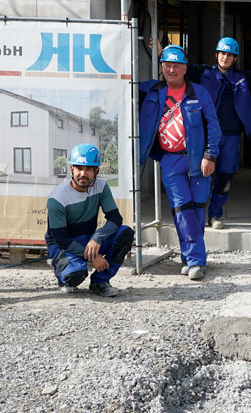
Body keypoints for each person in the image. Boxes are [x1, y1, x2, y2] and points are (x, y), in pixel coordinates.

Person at [138, 45, 221, 280]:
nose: (171, 70)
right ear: (162, 66)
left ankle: (188, 255)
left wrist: (210, 155)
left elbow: (214, 127)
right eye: (167, 65)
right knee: (181, 209)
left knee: (195, 210)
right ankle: (196, 260)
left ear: (185, 68)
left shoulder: (199, 93)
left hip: (198, 160)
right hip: (170, 160)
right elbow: (125, 85)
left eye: (176, 66)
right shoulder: (151, 90)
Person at [184, 36, 251, 230]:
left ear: (235, 59)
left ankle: (214, 215)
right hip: (205, 135)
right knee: (201, 175)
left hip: (230, 136)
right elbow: (180, 67)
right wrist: (162, 52)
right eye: (223, 53)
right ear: (216, 55)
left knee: (226, 176)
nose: (226, 57)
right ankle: (196, 216)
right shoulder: (204, 73)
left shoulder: (242, 77)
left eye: (230, 55)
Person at [45, 143, 135, 297]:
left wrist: (97, 237)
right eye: (79, 168)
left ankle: (100, 282)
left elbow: (115, 218)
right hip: (63, 245)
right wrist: (94, 257)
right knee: (75, 276)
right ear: (72, 169)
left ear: (96, 171)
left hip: (88, 239)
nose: (83, 173)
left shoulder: (101, 187)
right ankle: (63, 271)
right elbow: (61, 239)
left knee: (125, 233)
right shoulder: (58, 198)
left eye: (88, 169)